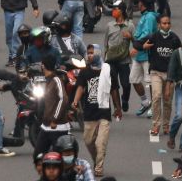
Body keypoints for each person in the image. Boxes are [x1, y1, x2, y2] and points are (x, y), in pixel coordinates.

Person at [73, 46, 120, 175]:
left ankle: (99, 168)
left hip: (104, 112)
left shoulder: (108, 70)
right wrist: (76, 101)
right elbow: (80, 88)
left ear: (98, 53)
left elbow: (114, 90)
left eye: (92, 53)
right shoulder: (85, 71)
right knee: (88, 141)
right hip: (89, 113)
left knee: (100, 143)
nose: (89, 55)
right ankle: (96, 160)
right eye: (88, 53)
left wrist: (118, 108)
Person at [146, 12, 180, 139]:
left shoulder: (175, 39)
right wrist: (143, 46)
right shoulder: (154, 36)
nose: (166, 25)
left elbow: (179, 56)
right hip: (156, 72)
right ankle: (156, 124)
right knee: (156, 96)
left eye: (168, 23)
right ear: (159, 25)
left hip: (170, 75)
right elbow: (140, 44)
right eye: (164, 23)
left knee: (167, 100)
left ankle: (166, 125)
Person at [35, 55, 73, 156]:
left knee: (59, 157)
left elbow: (63, 99)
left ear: (43, 66)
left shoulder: (56, 80)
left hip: (57, 127)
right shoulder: (47, 80)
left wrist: (54, 119)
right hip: (45, 126)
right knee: (38, 155)